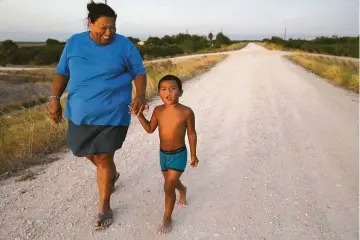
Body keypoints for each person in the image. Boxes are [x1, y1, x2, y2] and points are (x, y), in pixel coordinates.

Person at [49, 1, 147, 230]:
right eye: (103, 27)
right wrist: (54, 99)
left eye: (112, 27)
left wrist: (140, 95)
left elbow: (139, 71)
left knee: (103, 157)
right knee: (81, 150)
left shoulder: (124, 45)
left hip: (114, 112)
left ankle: (104, 205)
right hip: (80, 113)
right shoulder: (74, 43)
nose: (108, 32)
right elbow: (62, 72)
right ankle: (111, 172)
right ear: (90, 23)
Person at [133, 74, 199, 234]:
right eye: (163, 89)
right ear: (159, 93)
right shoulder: (158, 110)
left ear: (181, 92)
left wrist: (193, 154)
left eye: (172, 89)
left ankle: (167, 217)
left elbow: (191, 134)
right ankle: (182, 189)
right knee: (172, 183)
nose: (168, 93)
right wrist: (139, 115)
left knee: (168, 187)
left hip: (179, 155)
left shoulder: (186, 112)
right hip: (163, 155)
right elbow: (150, 129)